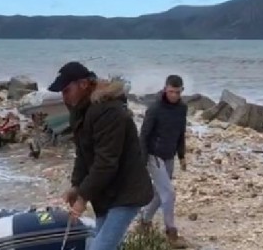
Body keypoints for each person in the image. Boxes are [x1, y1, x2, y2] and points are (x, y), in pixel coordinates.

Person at [48, 61, 153, 250]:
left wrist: (83, 198)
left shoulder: (108, 111)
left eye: (66, 90)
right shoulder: (80, 112)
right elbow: (83, 155)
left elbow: (106, 162)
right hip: (105, 192)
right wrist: (76, 186)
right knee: (100, 244)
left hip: (127, 191)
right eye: (61, 92)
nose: (63, 97)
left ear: (83, 84)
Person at [138, 75, 189, 248]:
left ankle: (144, 220)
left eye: (177, 92)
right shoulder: (155, 108)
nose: (174, 95)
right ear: (165, 89)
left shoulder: (182, 108)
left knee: (161, 194)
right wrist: (143, 160)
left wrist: (181, 156)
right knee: (169, 194)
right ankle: (171, 232)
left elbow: (181, 133)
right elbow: (144, 135)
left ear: (182, 91)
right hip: (154, 155)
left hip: (170, 155)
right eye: (171, 91)